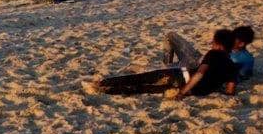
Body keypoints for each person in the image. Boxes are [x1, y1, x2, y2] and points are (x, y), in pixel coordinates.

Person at [97, 29, 238, 97]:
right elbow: (230, 91)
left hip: (181, 77)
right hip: (191, 91)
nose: (211, 44)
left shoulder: (213, 54)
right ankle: (110, 91)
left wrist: (183, 91)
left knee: (141, 78)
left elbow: (200, 73)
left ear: (218, 44)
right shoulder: (232, 66)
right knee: (144, 88)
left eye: (213, 42)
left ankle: (104, 83)